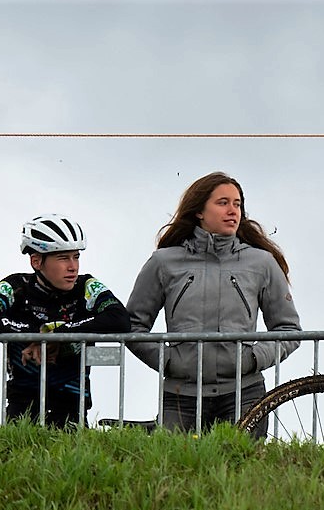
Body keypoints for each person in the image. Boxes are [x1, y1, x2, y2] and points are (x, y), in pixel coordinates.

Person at [126, 171, 301, 438]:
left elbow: (288, 330)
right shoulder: (163, 262)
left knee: (242, 473)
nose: (233, 211)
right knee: (177, 474)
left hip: (244, 394)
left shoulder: (262, 263)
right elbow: (133, 326)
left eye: (237, 204)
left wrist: (253, 359)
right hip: (180, 394)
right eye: (223, 203)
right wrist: (170, 362)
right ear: (199, 211)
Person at [0, 214, 131, 429]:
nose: (73, 267)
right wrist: (36, 334)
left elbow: (120, 319)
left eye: (76, 257)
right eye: (63, 258)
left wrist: (59, 335)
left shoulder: (86, 285)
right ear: (36, 261)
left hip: (72, 402)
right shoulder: (17, 285)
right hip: (23, 404)